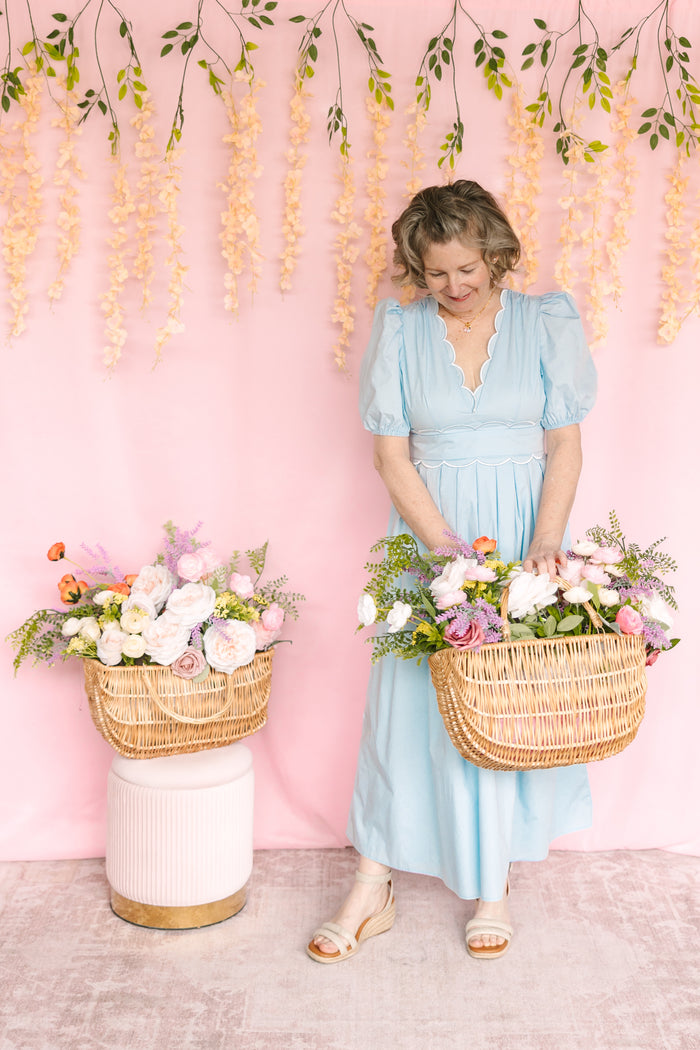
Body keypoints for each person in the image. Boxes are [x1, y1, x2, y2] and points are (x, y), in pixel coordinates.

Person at [306, 180, 597, 963]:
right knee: (406, 704)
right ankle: (372, 883)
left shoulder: (544, 320)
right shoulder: (400, 328)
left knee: (504, 706)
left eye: (467, 268)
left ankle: (492, 885)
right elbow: (390, 455)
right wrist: (447, 552)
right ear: (417, 268)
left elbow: (564, 443)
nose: (454, 285)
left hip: (524, 534)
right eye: (436, 272)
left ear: (495, 254)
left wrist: (545, 542)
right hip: (431, 532)